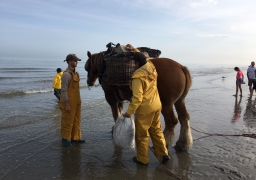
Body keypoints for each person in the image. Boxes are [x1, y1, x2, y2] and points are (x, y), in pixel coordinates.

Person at [123, 44, 170, 165]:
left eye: (134, 63)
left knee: (142, 135)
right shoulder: (151, 67)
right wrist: (135, 50)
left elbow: (137, 98)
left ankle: (142, 159)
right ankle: (164, 154)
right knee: (157, 131)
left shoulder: (138, 77)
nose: (133, 65)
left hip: (145, 110)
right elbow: (144, 59)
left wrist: (129, 112)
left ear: (137, 64)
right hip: (156, 105)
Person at [59, 54, 85, 146]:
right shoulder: (66, 75)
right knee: (67, 120)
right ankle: (65, 139)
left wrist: (79, 101)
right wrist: (67, 104)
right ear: (69, 62)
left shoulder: (77, 73)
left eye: (77, 61)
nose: (76, 62)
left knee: (76, 119)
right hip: (68, 102)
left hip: (76, 100)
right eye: (75, 61)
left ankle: (76, 138)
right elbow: (63, 90)